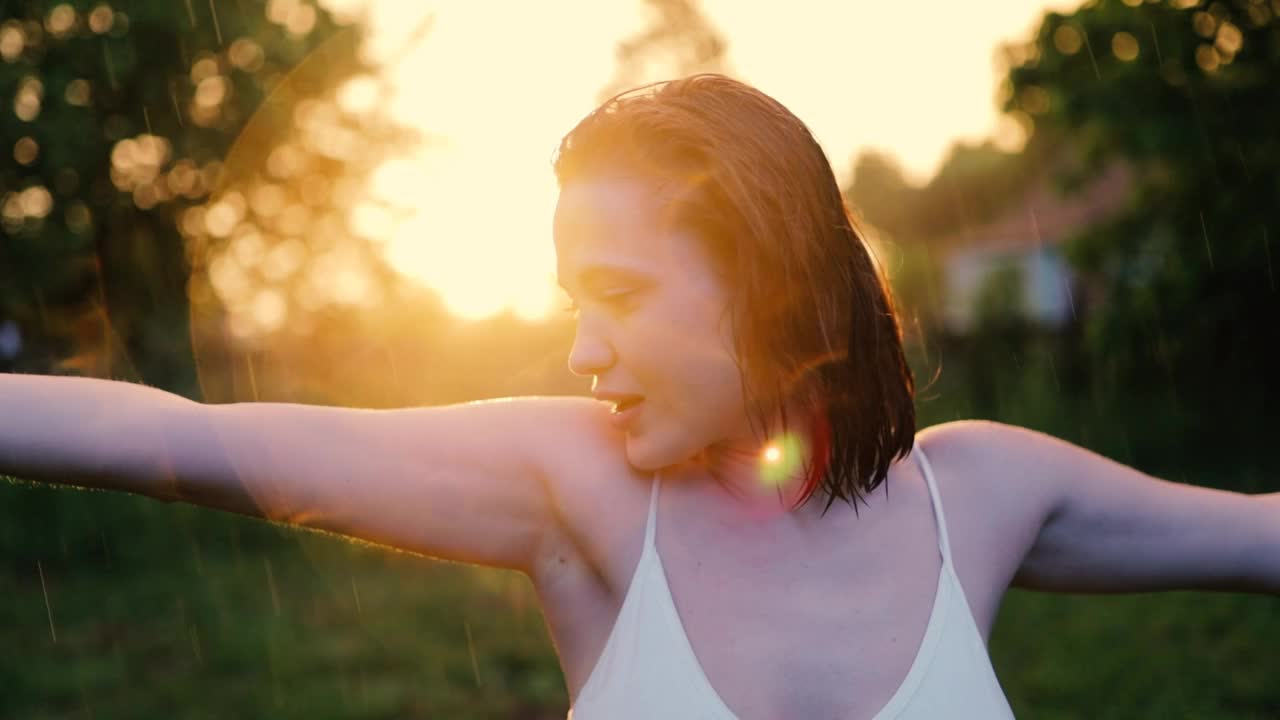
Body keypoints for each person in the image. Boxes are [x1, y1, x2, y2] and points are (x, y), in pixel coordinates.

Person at [2, 73, 1277, 718]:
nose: (583, 354)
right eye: (571, 304)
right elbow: (174, 439)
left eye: (617, 293)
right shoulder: (579, 491)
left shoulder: (988, 493)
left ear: (766, 277)